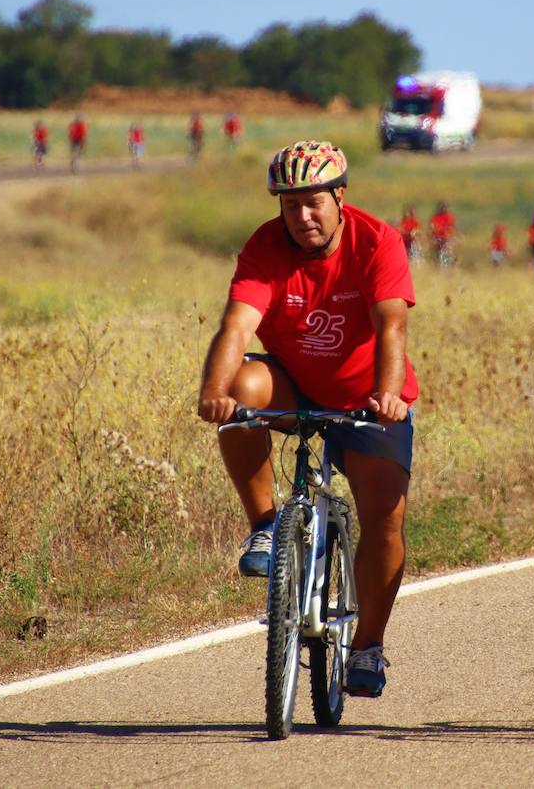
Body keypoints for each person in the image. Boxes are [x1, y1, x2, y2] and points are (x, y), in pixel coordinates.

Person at [197, 140, 419, 698]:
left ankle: (367, 645)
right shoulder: (266, 247)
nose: (302, 216)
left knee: (385, 518)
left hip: (368, 399)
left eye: (314, 202)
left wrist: (388, 394)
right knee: (243, 387)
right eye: (290, 205)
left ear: (340, 197)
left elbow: (392, 326)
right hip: (294, 388)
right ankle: (268, 525)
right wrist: (212, 392)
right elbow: (235, 328)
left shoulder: (377, 241)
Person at [429, 201, 456, 268]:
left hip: (447, 238)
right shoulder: (435, 217)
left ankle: (449, 266)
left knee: (447, 253)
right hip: (438, 239)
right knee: (438, 255)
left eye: (444, 207)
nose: (443, 209)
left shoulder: (449, 217)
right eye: (441, 207)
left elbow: (451, 228)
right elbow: (432, 228)